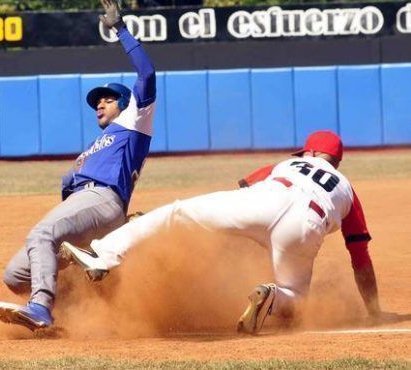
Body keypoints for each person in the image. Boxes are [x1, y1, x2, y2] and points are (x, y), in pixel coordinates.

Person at [60, 130, 382, 334]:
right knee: (296, 296)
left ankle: (104, 254)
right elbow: (360, 256)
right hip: (307, 225)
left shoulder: (287, 165)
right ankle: (271, 296)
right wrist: (373, 311)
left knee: (179, 213)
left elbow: (239, 192)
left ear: (309, 153)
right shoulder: (347, 191)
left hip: (265, 198)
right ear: (335, 162)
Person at [0, 0, 156, 332]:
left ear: (125, 105)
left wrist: (121, 29)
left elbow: (148, 73)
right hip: (85, 206)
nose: (100, 104)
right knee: (15, 274)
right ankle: (74, 307)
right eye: (97, 101)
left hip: (103, 201)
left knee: (41, 233)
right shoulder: (95, 147)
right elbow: (68, 187)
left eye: (108, 99)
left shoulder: (133, 122)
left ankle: (40, 308)